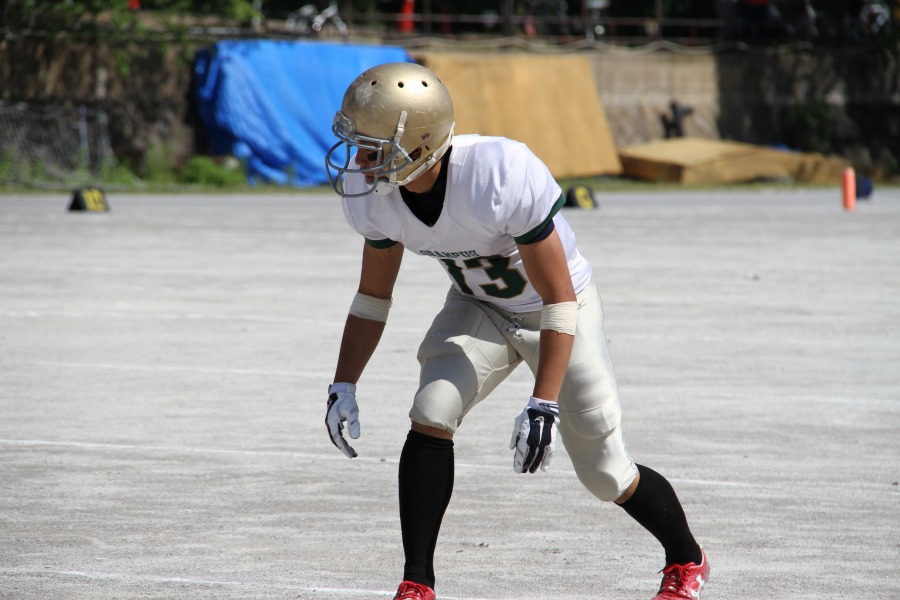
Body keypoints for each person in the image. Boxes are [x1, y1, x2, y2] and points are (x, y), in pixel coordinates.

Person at [323, 62, 709, 600]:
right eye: (359, 146)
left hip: (559, 311)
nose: (360, 163)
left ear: (419, 145)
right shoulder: (376, 194)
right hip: (479, 305)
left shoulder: (498, 172)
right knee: (432, 410)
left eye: (373, 149)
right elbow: (372, 297)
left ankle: (686, 558)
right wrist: (343, 382)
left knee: (605, 473)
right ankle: (417, 582)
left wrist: (543, 401)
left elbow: (559, 298)